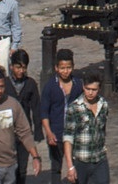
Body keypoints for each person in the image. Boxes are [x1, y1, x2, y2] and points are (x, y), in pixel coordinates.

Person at [38, 53, 81, 184]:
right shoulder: (50, 87)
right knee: (56, 166)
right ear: (56, 68)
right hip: (56, 133)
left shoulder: (78, 84)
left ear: (73, 67)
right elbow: (44, 112)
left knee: (76, 165)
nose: (65, 71)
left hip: (75, 133)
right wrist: (49, 132)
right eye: (62, 68)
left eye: (68, 67)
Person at [59, 77, 108, 184]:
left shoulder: (103, 105)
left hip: (100, 159)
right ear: (83, 87)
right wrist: (70, 166)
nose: (90, 92)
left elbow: (102, 130)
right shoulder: (74, 108)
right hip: (81, 161)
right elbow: (68, 137)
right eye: (87, 89)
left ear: (99, 89)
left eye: (94, 90)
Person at [3, 53, 40, 184]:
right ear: (11, 66)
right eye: (18, 67)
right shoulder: (4, 84)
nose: (21, 71)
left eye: (24, 67)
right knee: (9, 167)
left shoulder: (30, 84)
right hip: (7, 132)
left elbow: (36, 108)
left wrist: (38, 132)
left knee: (22, 167)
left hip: (24, 131)